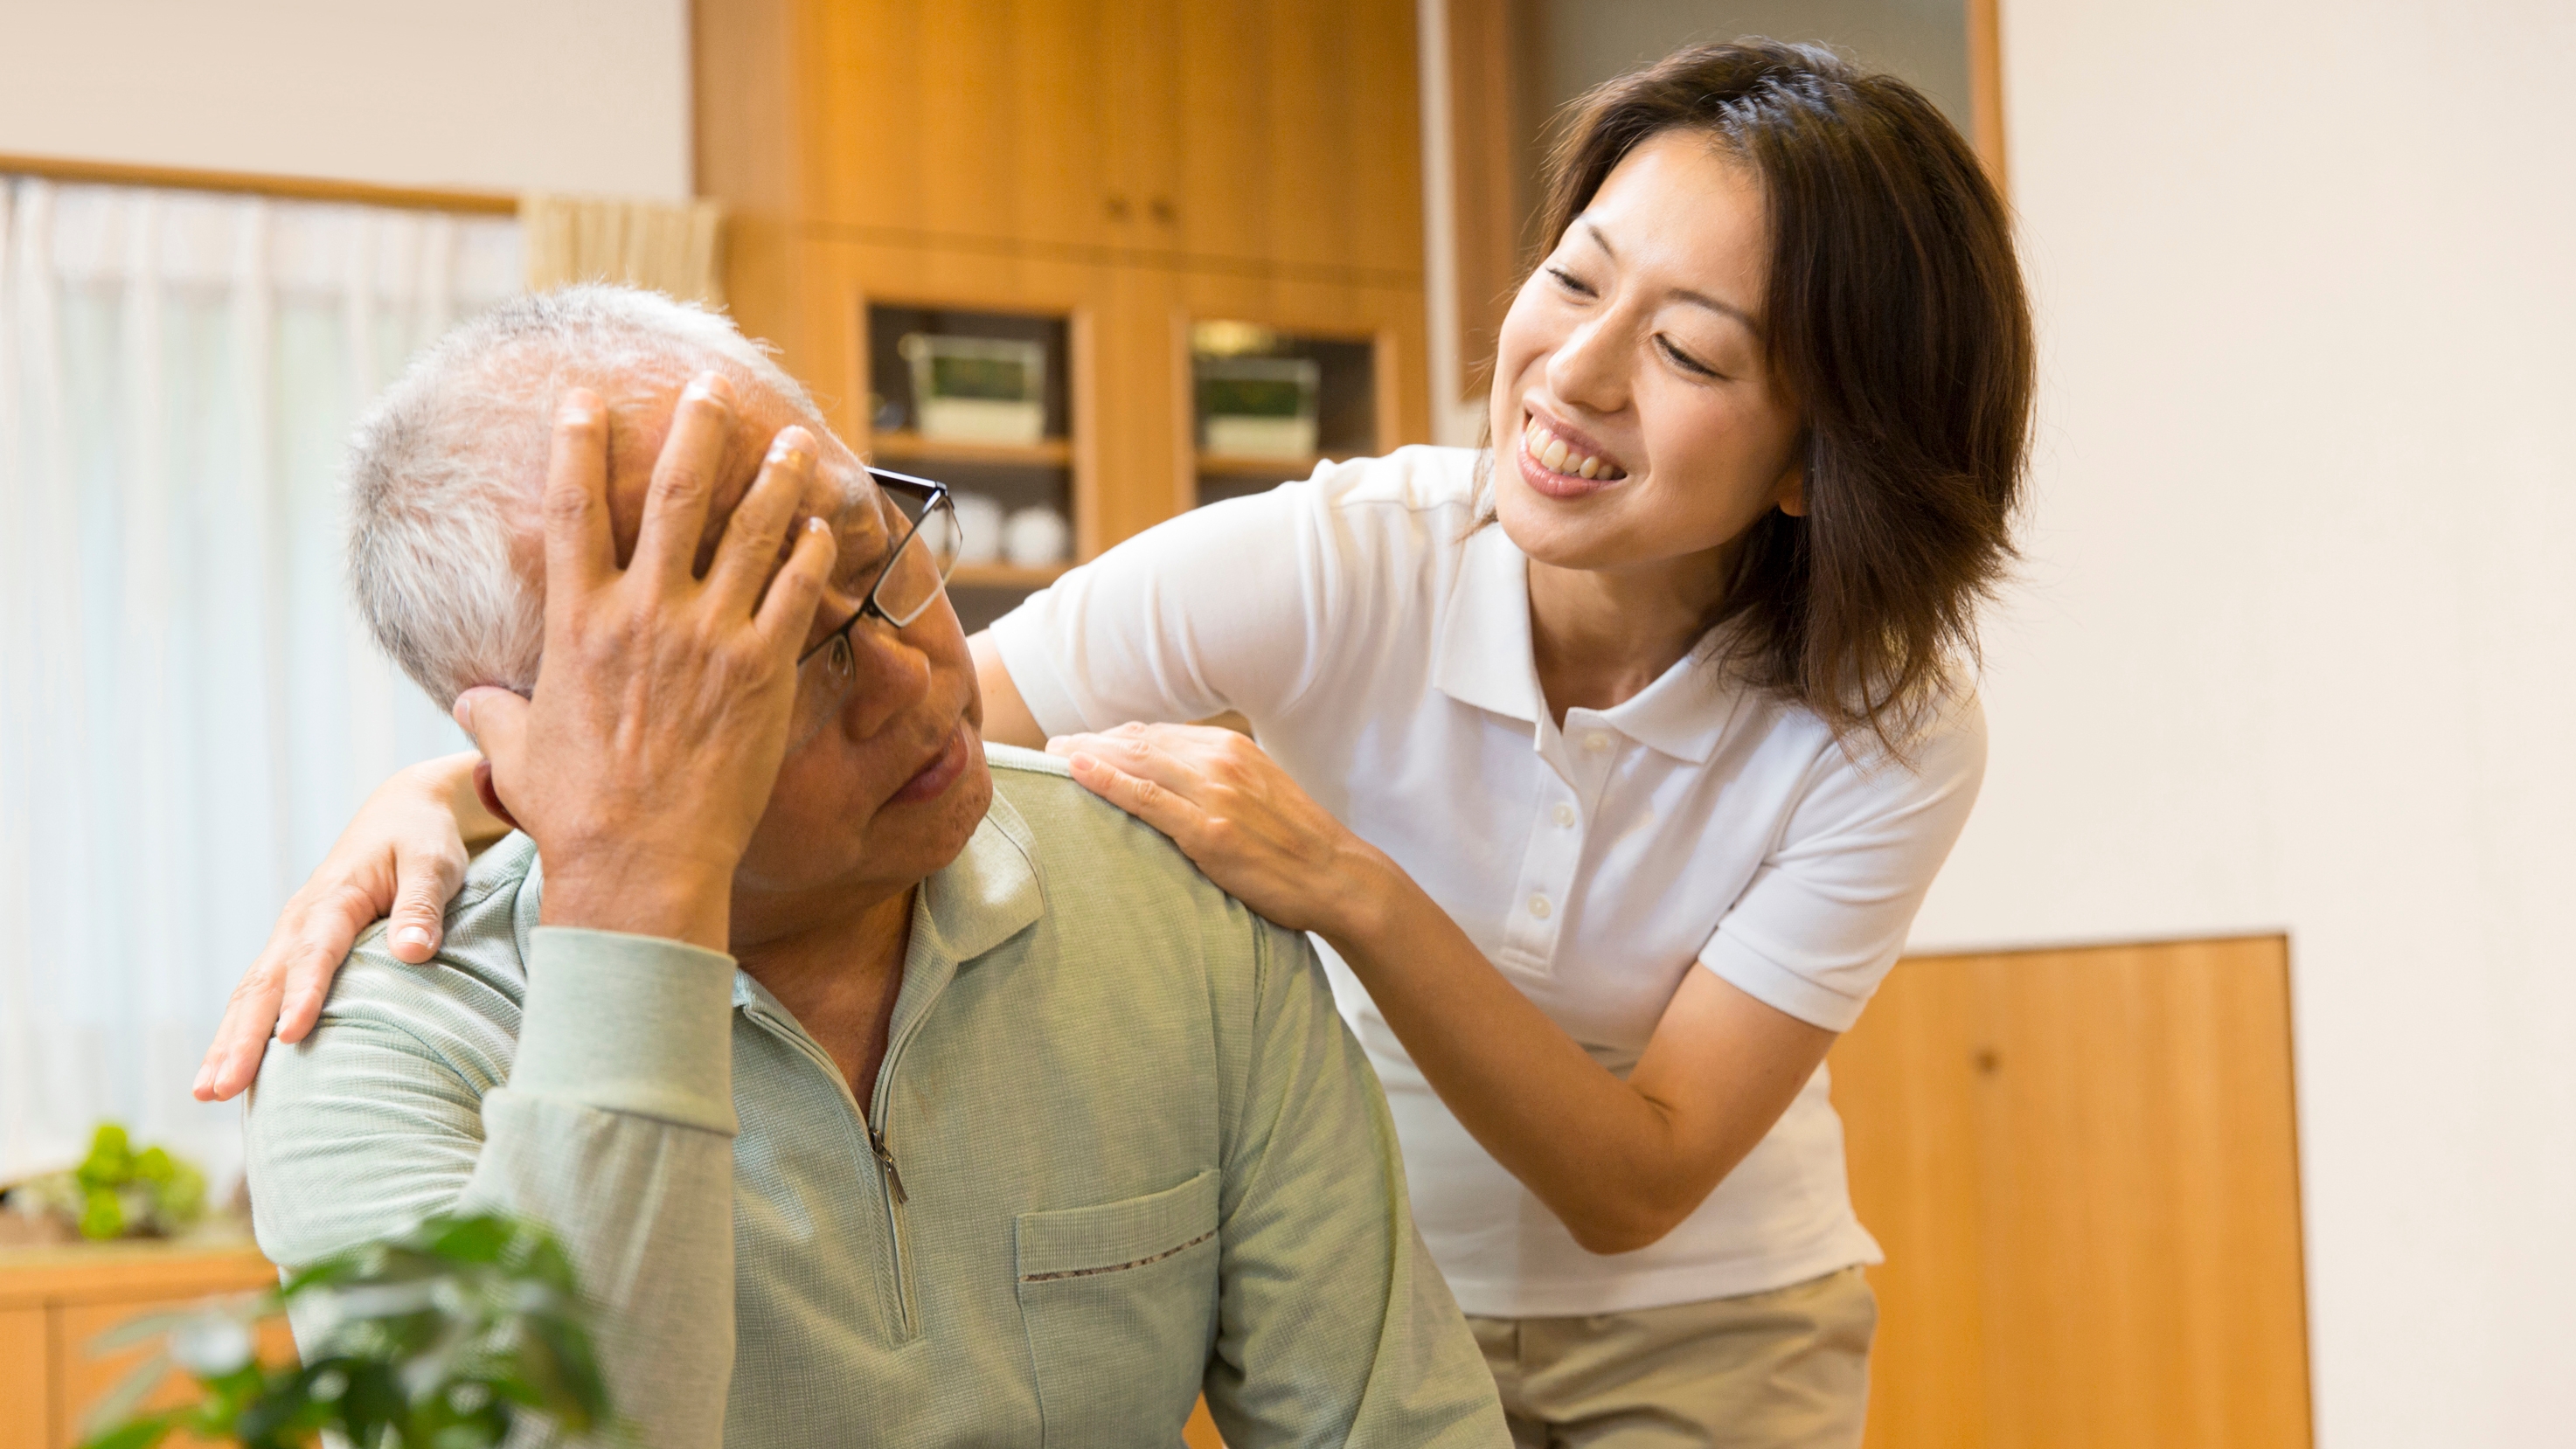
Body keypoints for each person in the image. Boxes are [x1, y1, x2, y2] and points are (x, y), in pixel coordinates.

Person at [207, 41, 2031, 1447]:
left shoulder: (1884, 728)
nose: (1574, 373)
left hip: (1699, 1300)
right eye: (1571, 277)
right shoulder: (1335, 558)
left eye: (1693, 351)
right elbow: (955, 727)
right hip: (1394, 1237)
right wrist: (494, 794)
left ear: (1817, 460)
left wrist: (1346, 889)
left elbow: (1636, 1179)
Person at [236, 287, 1506, 1448]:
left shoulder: (1174, 899)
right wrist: (632, 882)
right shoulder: (378, 1049)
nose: (916, 677)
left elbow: (1399, 1425)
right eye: (783, 653)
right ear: (537, 736)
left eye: (879, 551)